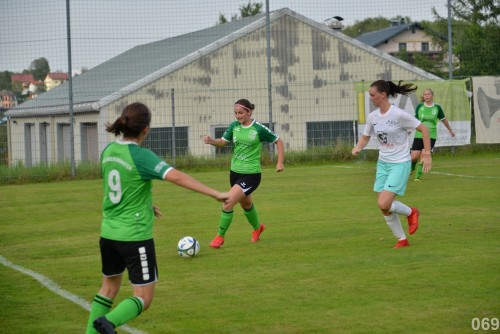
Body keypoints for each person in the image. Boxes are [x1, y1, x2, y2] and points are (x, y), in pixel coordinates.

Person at [86, 102, 228, 334]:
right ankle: (108, 323)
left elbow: (120, 186)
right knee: (143, 297)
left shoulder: (108, 152)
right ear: (146, 129)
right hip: (134, 236)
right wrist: (215, 193)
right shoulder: (141, 156)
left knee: (108, 289)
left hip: (108, 234)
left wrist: (146, 204)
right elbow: (177, 177)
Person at [352, 80, 432, 249]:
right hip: (383, 164)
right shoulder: (373, 117)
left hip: (400, 164)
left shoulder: (398, 115)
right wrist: (359, 146)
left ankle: (411, 212)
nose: (371, 98)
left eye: (373, 95)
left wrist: (426, 152)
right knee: (384, 207)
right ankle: (402, 239)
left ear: (382, 95)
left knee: (383, 203)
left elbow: (424, 129)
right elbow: (366, 136)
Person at [203, 98, 285, 249]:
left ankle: (219, 237)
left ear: (249, 111)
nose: (238, 116)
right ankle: (257, 228)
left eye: (240, 113)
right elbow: (222, 142)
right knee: (246, 204)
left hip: (251, 175)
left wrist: (279, 162)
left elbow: (279, 142)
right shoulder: (234, 126)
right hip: (234, 173)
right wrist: (211, 141)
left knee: (227, 203)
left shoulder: (258, 129)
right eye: (235, 113)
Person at [411, 88, 455, 181]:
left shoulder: (437, 108)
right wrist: (410, 129)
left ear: (432, 96)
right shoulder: (419, 106)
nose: (426, 96)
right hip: (419, 134)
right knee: (414, 157)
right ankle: (412, 167)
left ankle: (417, 177)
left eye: (428, 94)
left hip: (431, 135)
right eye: (425, 94)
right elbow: (414, 121)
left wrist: (450, 130)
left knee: (424, 154)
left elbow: (444, 119)